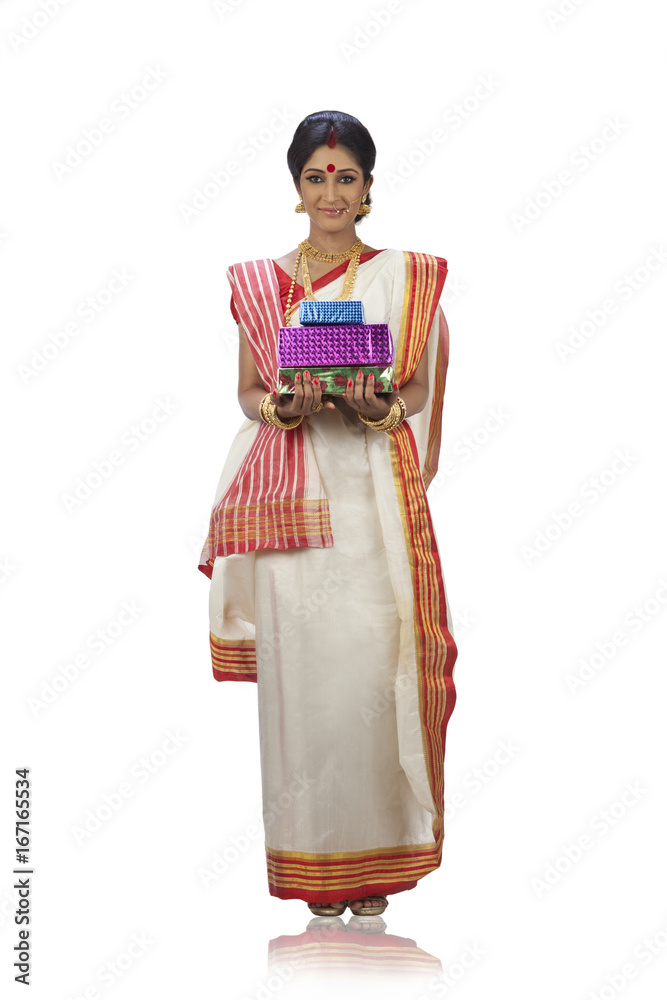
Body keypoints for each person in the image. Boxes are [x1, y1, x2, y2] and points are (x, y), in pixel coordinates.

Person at [198, 110, 458, 918]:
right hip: (290, 510)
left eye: (346, 177)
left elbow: (420, 388)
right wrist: (281, 407)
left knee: (370, 677)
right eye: (316, 177)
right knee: (304, 686)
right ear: (296, 186)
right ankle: (313, 866)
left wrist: (380, 406)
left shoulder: (404, 280)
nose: (331, 192)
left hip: (371, 505)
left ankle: (375, 866)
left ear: (369, 187)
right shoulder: (260, 282)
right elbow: (247, 388)